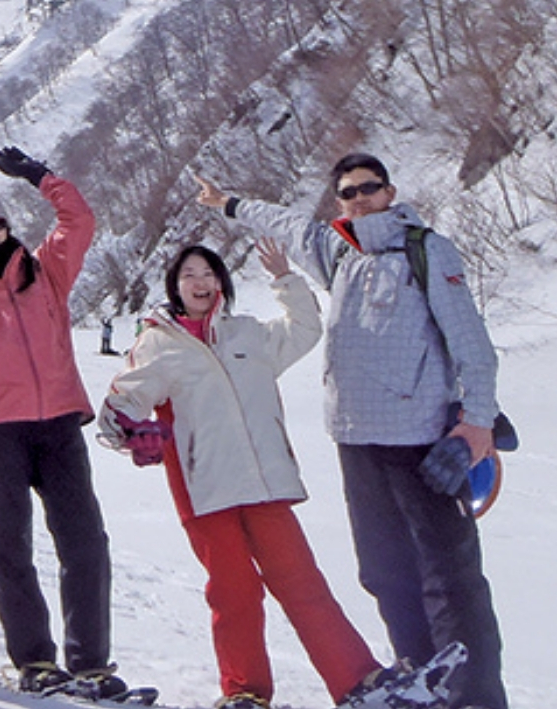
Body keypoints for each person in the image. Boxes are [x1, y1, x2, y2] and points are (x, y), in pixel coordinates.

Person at [197, 154, 505, 709]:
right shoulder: (339, 252)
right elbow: (287, 223)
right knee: (385, 573)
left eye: (369, 188)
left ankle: (475, 699)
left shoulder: (426, 250)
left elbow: (472, 346)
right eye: (348, 192)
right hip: (357, 442)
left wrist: (476, 423)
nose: (359, 199)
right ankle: (422, 686)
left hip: (423, 440)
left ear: (390, 192)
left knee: (449, 582)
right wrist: (228, 204)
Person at [100, 242, 405, 709]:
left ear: (221, 282)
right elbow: (124, 401)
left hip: (265, 483)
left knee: (303, 584)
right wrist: (129, 430)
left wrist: (285, 280)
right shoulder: (157, 343)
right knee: (234, 592)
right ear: (175, 287)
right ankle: (244, 691)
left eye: (208, 273)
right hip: (204, 488)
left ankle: (357, 682)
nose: (200, 282)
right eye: (189, 275)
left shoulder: (248, 334)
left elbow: (304, 329)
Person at [0, 146, 143, 700]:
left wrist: (39, 176)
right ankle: (34, 661)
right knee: (8, 545)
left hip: (57, 424)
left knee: (84, 541)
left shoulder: (45, 273)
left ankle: (90, 663)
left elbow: (80, 220)